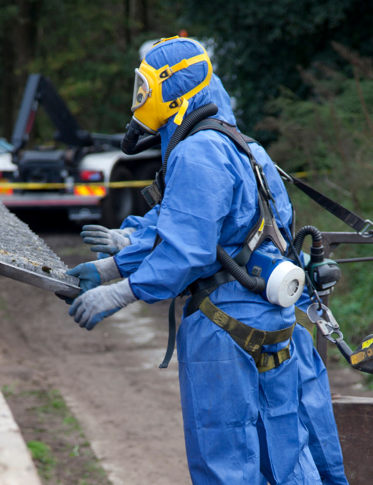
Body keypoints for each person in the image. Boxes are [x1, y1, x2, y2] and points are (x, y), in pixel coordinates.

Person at [65, 36, 337, 484]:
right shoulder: (245, 147)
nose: (140, 97)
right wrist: (122, 252)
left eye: (145, 86)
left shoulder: (195, 151)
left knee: (226, 456)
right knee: (285, 453)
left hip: (223, 328)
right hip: (275, 320)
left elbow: (188, 247)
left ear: (173, 89)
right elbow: (196, 220)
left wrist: (121, 289)